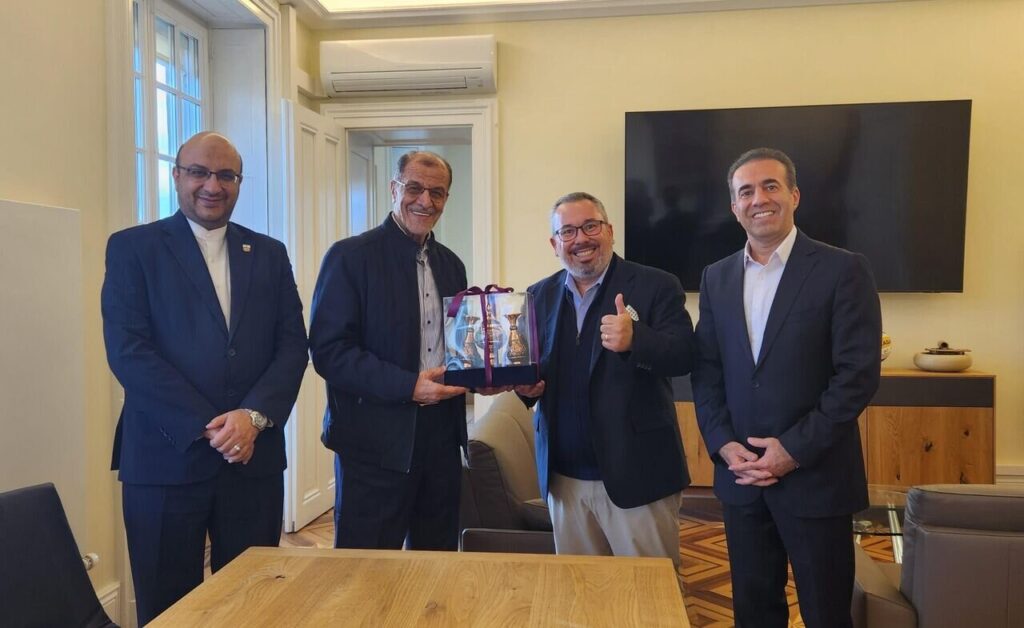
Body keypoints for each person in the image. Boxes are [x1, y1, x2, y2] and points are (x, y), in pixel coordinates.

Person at [101, 132, 308, 625]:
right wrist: (211, 426)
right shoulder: (133, 248)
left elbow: (292, 347)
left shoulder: (269, 253)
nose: (213, 186)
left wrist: (252, 418)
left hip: (252, 461)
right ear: (177, 175)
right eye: (199, 172)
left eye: (226, 175)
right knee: (168, 608)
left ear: (239, 182)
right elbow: (130, 352)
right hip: (164, 458)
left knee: (254, 604)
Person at [691, 147, 882, 628]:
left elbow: (856, 376)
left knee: (827, 615)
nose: (758, 199)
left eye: (770, 186)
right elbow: (707, 371)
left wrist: (792, 451)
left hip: (816, 479)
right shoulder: (716, 277)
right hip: (741, 480)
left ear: (794, 196)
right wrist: (723, 444)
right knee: (754, 614)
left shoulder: (843, 269)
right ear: (734, 207)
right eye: (746, 191)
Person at [516, 192, 694, 567]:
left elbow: (684, 356)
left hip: (640, 476)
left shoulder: (656, 285)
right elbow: (532, 370)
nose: (580, 238)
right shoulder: (538, 296)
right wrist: (526, 388)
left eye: (590, 226)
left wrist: (637, 339)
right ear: (554, 244)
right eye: (567, 231)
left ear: (610, 231)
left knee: (649, 591)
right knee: (580, 591)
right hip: (564, 481)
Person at [309, 150, 474, 551]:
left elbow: (458, 346)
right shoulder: (349, 257)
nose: (425, 201)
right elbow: (330, 352)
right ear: (393, 189)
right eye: (414, 188)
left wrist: (484, 373)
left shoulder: (452, 265)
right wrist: (408, 386)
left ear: (446, 199)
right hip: (373, 443)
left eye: (437, 192)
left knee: (435, 563)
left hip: (442, 440)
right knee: (365, 568)